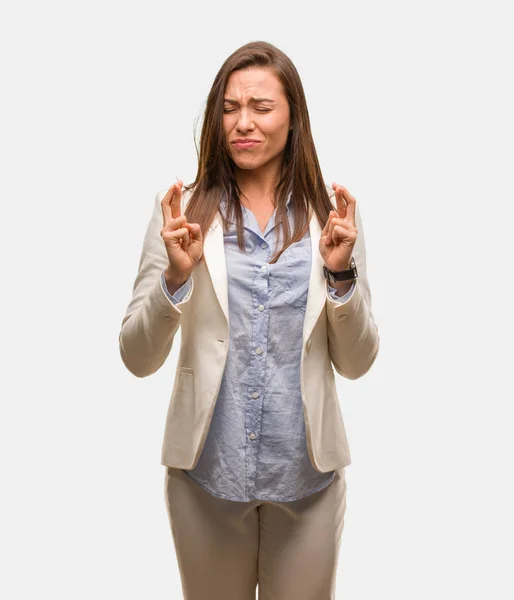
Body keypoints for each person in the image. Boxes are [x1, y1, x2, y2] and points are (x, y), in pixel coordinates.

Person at [119, 40, 379, 600]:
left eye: (261, 107)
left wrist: (340, 277)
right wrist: (176, 280)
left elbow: (358, 362)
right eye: (230, 108)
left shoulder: (330, 219)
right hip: (205, 477)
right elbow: (136, 357)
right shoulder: (181, 213)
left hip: (307, 479)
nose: (243, 123)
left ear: (293, 117)